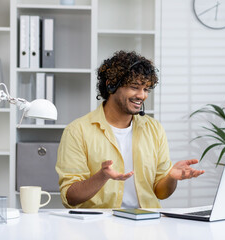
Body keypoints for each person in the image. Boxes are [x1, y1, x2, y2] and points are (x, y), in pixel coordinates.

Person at [56, 50, 204, 209]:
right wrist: (102, 176)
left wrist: (171, 178)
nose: (142, 95)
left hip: (146, 224)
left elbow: (161, 193)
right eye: (135, 87)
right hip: (99, 226)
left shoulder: (154, 129)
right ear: (111, 85)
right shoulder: (77, 131)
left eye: (146, 89)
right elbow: (70, 197)